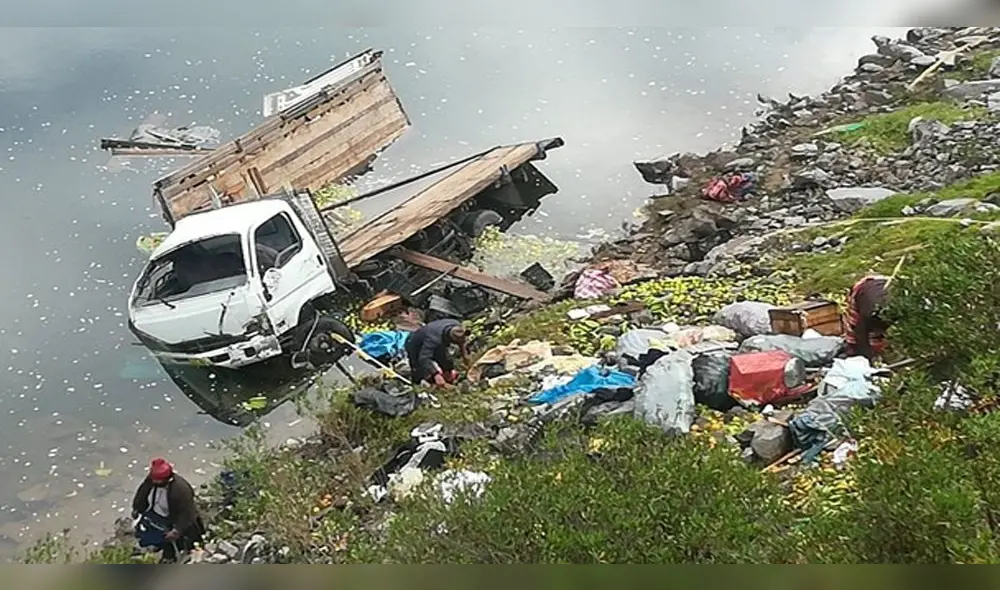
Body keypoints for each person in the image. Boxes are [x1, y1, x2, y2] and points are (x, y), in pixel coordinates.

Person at [131, 458, 205, 563]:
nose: (155, 482)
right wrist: (137, 508)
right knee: (146, 535)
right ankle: (155, 545)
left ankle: (171, 557)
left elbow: (188, 513)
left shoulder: (181, 490)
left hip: (174, 520)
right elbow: (142, 493)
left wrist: (177, 530)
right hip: (155, 515)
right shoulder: (151, 481)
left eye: (158, 480)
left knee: (174, 543)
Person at [404, 318, 469, 388]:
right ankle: (417, 386)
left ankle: (448, 380)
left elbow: (461, 341)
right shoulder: (434, 339)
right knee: (419, 370)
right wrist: (436, 374)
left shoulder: (457, 325)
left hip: (438, 341)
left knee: (446, 360)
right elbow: (424, 358)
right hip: (414, 344)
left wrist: (464, 355)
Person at [843, 274, 890, 360]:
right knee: (854, 335)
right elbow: (859, 336)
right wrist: (866, 359)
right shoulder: (867, 314)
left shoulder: (901, 309)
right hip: (863, 290)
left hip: (885, 285)